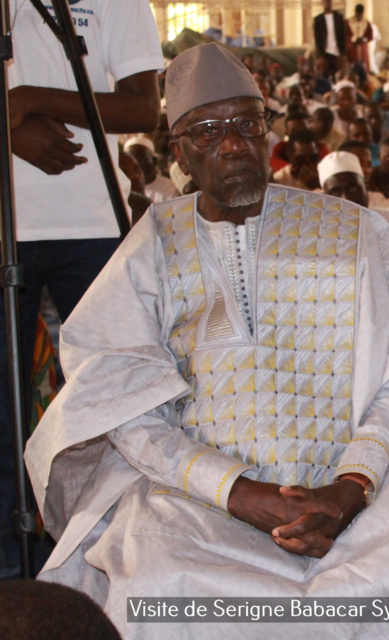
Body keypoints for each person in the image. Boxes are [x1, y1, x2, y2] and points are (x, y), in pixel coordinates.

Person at [25, 43, 389, 638]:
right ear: (178, 150)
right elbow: (120, 401)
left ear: (269, 130)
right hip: (196, 498)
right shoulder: (150, 246)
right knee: (156, 581)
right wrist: (236, 491)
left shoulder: (358, 230)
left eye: (247, 123)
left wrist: (352, 486)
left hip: (359, 486)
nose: (234, 144)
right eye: (208, 131)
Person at [4, 0, 162, 579]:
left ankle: (113, 550)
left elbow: (143, 105)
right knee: (4, 405)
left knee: (111, 401)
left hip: (94, 224)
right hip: (6, 225)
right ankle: (13, 570)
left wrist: (29, 100)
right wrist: (8, 121)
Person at [318, 151, 389, 259]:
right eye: (335, 193)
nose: (346, 199)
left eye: (353, 188)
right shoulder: (317, 238)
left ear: (366, 187)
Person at [124, 136, 180, 204]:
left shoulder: (169, 188)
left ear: (154, 161)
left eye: (141, 157)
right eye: (132, 159)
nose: (137, 162)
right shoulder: (123, 189)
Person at [313, 0, 346, 74]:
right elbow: (317, 39)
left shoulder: (339, 18)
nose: (328, 4)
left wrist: (343, 54)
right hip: (324, 54)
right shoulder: (318, 19)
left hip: (337, 53)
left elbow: (343, 36)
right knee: (325, 74)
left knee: (338, 74)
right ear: (323, 3)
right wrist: (320, 55)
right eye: (326, 2)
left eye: (329, 2)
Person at [345, 4, 373, 69]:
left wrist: (364, 39)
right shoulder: (348, 22)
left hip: (362, 47)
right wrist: (352, 39)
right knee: (352, 65)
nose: (359, 15)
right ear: (355, 12)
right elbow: (345, 35)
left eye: (360, 14)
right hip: (352, 47)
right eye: (358, 13)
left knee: (363, 65)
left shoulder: (366, 22)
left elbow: (370, 36)